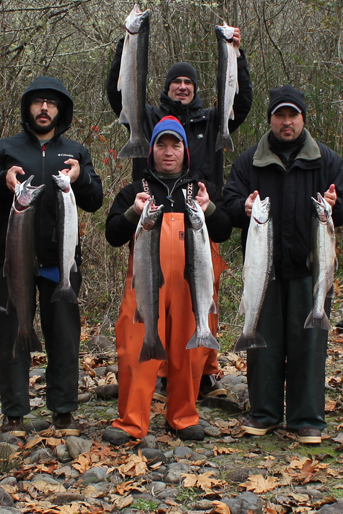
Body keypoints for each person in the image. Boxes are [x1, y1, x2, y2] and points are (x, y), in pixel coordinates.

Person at [106, 28, 254, 401]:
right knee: (148, 302)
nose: (183, 87)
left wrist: (237, 55)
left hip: (200, 214)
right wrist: (126, 46)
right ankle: (154, 370)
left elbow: (244, 102)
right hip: (154, 214)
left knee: (205, 298)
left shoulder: (212, 120)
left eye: (189, 82)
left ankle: (201, 371)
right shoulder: (147, 117)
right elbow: (118, 95)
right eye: (177, 82)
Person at [222, 86, 343, 445]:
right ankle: (263, 413)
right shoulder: (249, 161)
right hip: (263, 272)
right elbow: (229, 199)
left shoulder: (327, 161)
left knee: (309, 344)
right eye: (279, 115)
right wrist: (242, 209)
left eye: (293, 115)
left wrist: (335, 205)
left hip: (310, 270)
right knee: (263, 346)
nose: (286, 122)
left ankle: (307, 417)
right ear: (270, 121)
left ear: (303, 119)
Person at [0, 76, 103, 437]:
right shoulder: (5, 149)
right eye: (37, 102)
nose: (44, 108)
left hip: (59, 263)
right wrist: (3, 180)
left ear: (61, 109)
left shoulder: (76, 151)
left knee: (64, 334)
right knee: (12, 332)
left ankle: (63, 410)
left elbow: (95, 200)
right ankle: (13, 413)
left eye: (51, 102)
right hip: (12, 261)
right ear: (27, 108)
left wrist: (79, 179)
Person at [101, 117, 233, 445]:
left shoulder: (200, 191)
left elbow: (225, 230)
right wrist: (133, 213)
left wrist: (211, 208)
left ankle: (183, 416)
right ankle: (131, 421)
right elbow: (113, 234)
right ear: (152, 151)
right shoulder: (136, 191)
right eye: (162, 144)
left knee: (189, 350)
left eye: (175, 145)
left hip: (192, 286)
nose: (168, 152)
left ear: (185, 151)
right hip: (146, 287)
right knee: (135, 346)